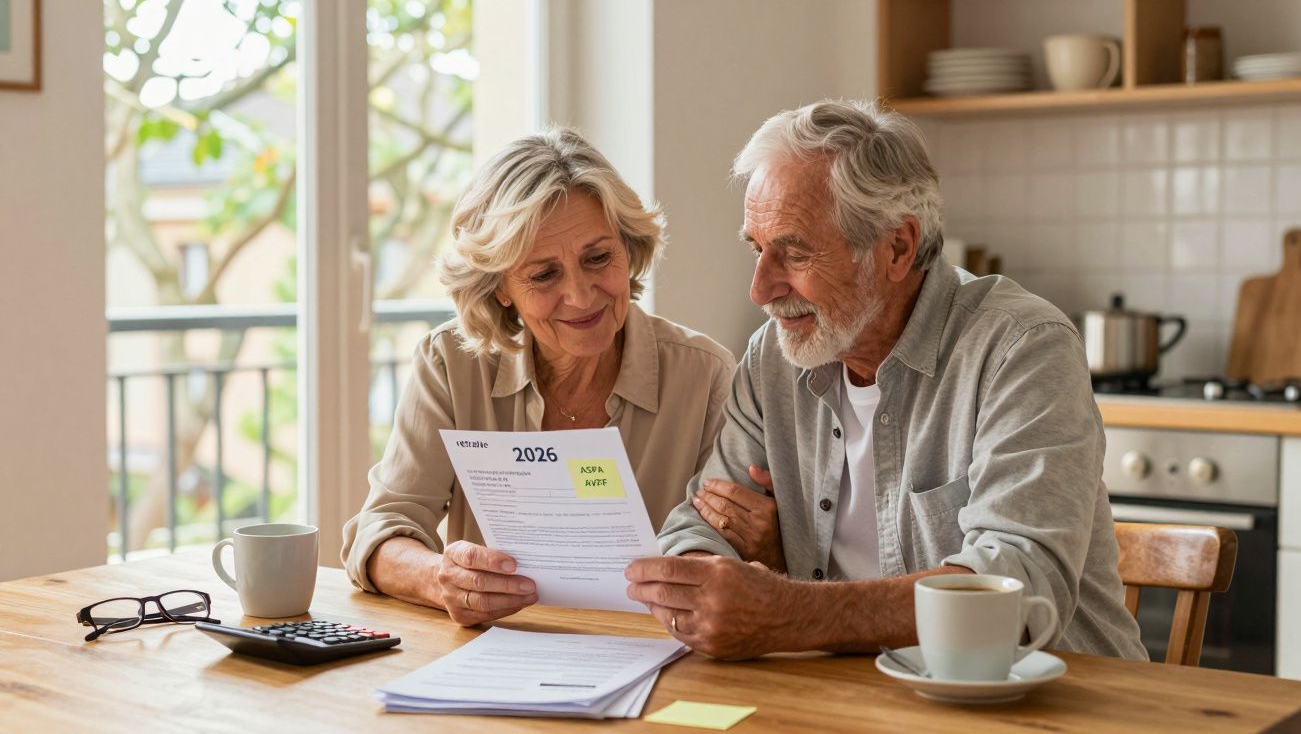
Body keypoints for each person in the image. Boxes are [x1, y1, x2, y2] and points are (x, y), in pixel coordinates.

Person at [627, 100, 1147, 662]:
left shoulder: (1022, 347)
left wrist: (785, 610)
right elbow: (698, 529)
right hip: (862, 699)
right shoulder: (772, 357)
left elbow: (1016, 592)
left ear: (897, 247)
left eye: (794, 252)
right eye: (757, 249)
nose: (761, 289)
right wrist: (711, 589)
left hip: (1054, 703)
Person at [343, 128, 735, 626]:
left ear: (628, 249)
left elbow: (726, 556)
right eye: (544, 275)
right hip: (495, 656)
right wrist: (442, 578)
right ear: (501, 287)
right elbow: (380, 530)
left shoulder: (704, 376)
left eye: (598, 258)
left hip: (657, 656)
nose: (581, 295)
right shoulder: (451, 363)